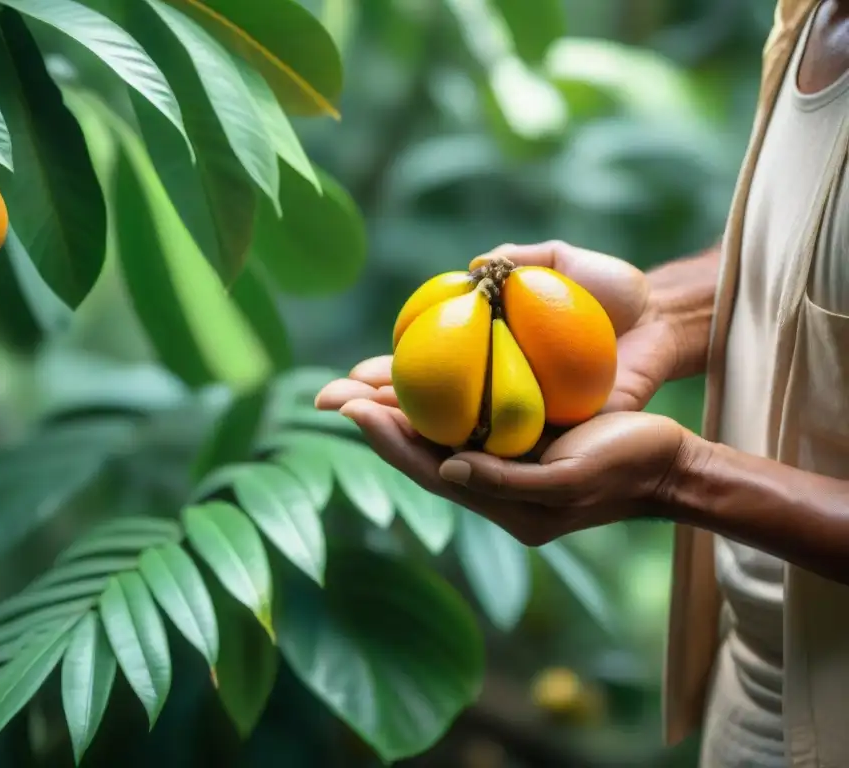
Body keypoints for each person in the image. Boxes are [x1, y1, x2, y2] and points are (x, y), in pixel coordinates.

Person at [314, 1, 849, 766]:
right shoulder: (809, 13)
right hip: (750, 699)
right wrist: (664, 311)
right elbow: (800, 238)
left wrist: (682, 481)